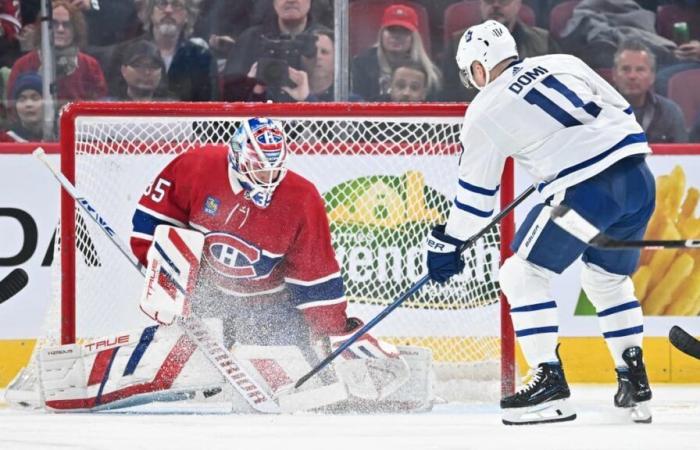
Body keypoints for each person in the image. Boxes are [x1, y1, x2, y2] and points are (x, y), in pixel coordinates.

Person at [425, 20, 654, 425]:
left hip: (586, 194)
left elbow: (477, 201)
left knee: (521, 273)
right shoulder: (562, 61)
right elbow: (622, 110)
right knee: (606, 278)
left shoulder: (483, 110)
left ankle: (550, 387)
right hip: (638, 181)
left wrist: (448, 243)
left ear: (478, 67)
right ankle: (633, 379)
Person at [441, 0, 560, 102]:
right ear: (480, 4)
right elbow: (447, 93)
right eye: (489, 0)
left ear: (518, 4)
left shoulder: (543, 42)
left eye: (503, 0)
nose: (496, 5)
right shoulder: (458, 45)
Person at [108, 0, 217, 101]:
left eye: (176, 5)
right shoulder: (123, 52)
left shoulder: (202, 57)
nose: (168, 10)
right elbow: (114, 99)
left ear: (187, 15)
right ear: (150, 12)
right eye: (162, 3)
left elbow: (210, 107)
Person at [6, 0, 107, 104]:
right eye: (53, 24)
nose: (60, 29)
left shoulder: (90, 66)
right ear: (43, 28)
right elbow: (12, 108)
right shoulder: (22, 65)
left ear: (76, 29)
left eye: (66, 25)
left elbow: (99, 107)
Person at [221, 0, 323, 102]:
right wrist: (249, 85)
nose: (291, 0)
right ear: (273, 2)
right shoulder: (250, 40)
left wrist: (307, 98)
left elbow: (333, 108)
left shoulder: (326, 43)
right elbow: (229, 103)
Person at [351, 3, 441, 101]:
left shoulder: (430, 73)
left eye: (403, 31)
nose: (396, 36)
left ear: (414, 37)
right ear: (382, 33)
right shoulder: (362, 65)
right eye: (391, 30)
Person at [612, 39, 688, 143]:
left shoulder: (669, 112)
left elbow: (683, 156)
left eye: (640, 70)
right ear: (614, 74)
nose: (632, 76)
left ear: (652, 76)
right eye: (625, 69)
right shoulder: (597, 110)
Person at [0, 72, 46, 142]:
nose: (28, 104)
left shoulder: (56, 136)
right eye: (22, 99)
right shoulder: (6, 139)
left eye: (35, 98)